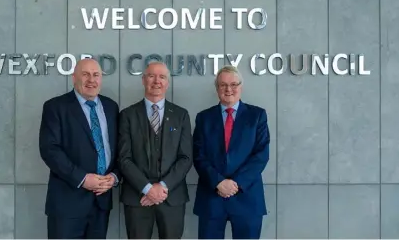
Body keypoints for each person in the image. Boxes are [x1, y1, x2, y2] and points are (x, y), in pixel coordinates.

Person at [39, 58, 121, 239]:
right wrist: (82, 178)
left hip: (101, 203)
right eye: (85, 74)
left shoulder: (111, 107)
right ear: (74, 77)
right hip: (67, 203)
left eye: (96, 75)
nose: (91, 80)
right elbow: (50, 150)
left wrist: (114, 176)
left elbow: (119, 149)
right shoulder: (55, 107)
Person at [192, 65, 270, 239]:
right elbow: (198, 155)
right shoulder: (203, 118)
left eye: (234, 84)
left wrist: (236, 183)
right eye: (223, 85)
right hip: (212, 197)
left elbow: (261, 155)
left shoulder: (257, 115)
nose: (229, 89)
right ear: (217, 88)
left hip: (247, 197)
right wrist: (218, 182)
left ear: (241, 87)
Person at [118, 61, 193, 239]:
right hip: (137, 197)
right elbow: (123, 158)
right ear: (143, 80)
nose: (156, 81)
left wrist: (162, 187)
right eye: (151, 76)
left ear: (167, 83)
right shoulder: (127, 115)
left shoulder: (181, 115)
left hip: (172, 197)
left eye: (162, 77)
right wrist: (147, 188)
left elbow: (186, 157)